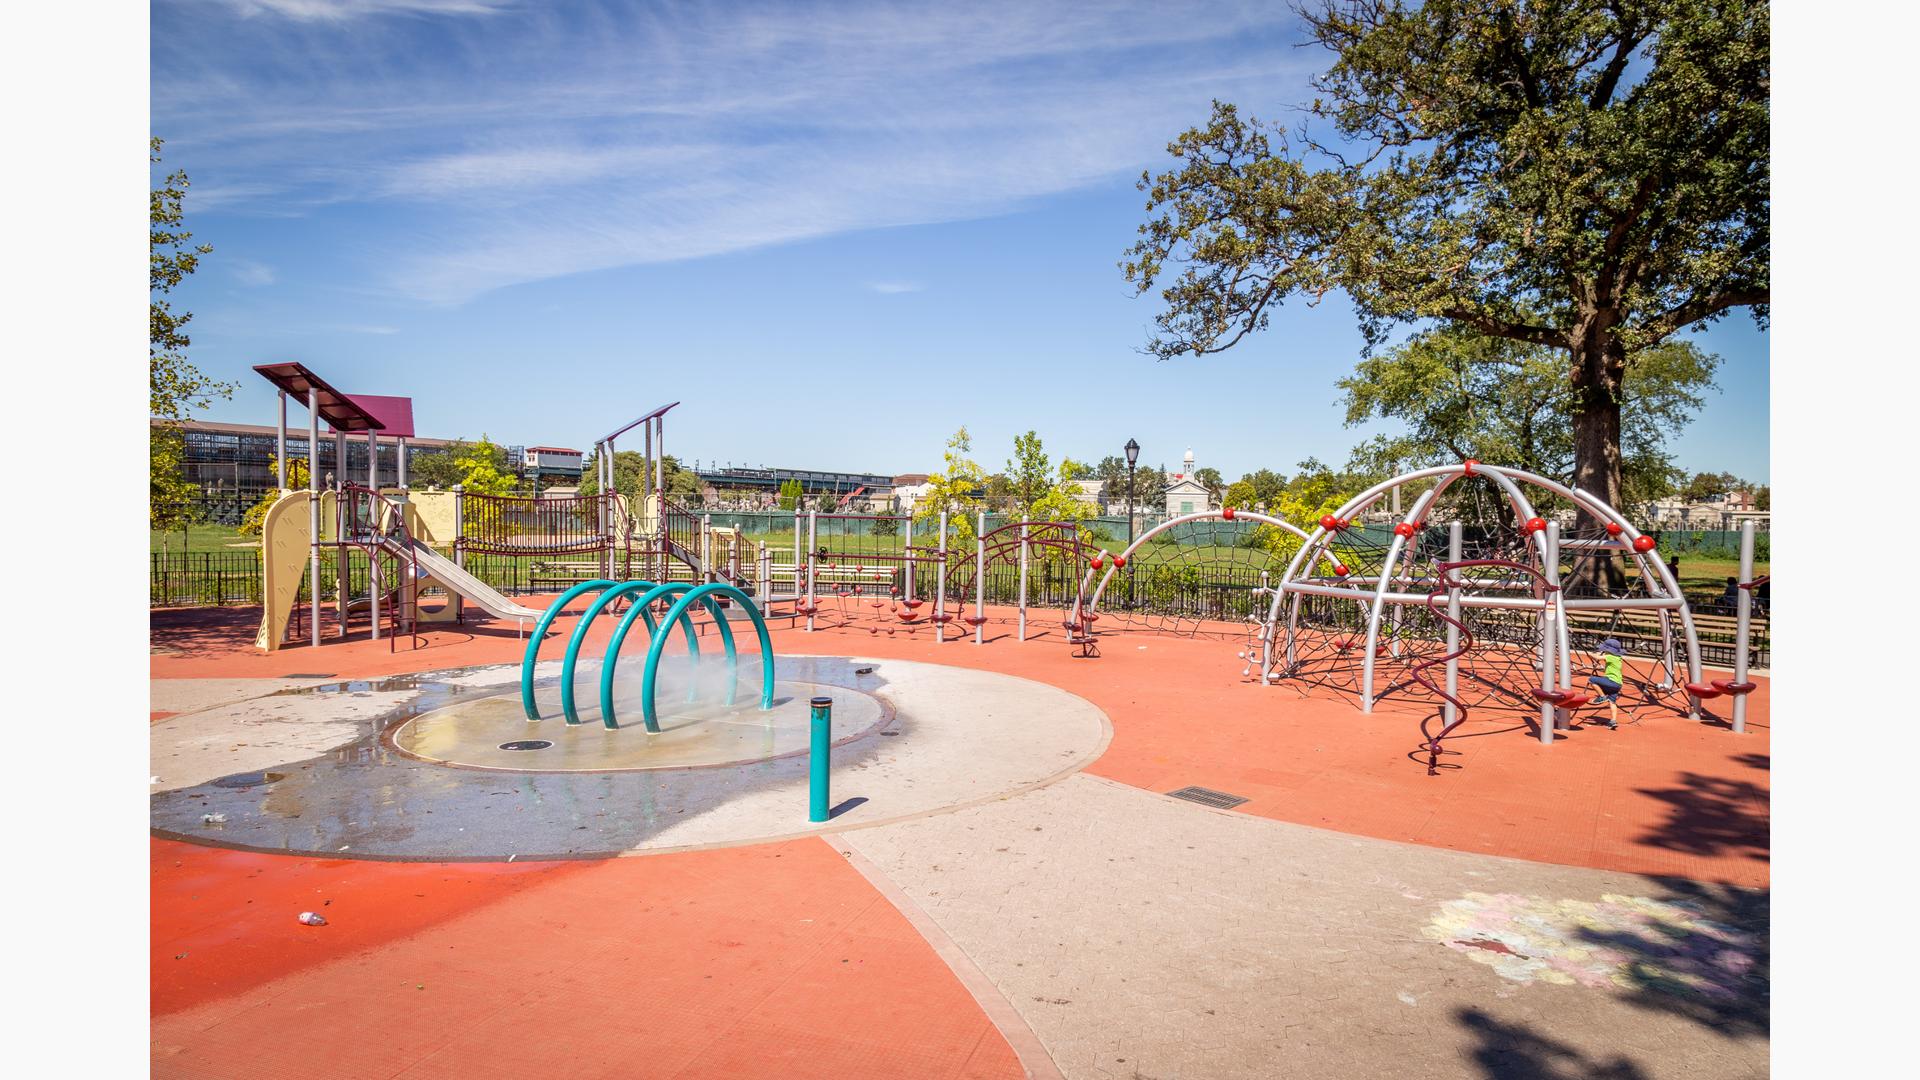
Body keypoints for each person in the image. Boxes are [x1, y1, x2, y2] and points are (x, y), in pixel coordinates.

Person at [1587, 637, 1626, 729]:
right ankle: (1613, 721)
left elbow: (1597, 657)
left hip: (1611, 681)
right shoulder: (1618, 658)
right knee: (1612, 702)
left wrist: (1590, 653)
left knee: (1592, 680)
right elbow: (1610, 668)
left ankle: (1602, 696)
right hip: (1618, 685)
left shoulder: (1610, 656)